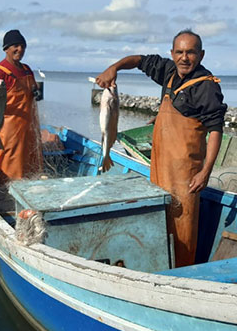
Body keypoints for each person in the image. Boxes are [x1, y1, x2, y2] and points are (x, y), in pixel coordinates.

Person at [95, 29, 227, 267]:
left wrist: (205, 172)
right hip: (159, 169)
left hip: (186, 175)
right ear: (172, 53)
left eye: (191, 52)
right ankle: (158, 266)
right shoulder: (167, 70)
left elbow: (216, 130)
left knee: (183, 228)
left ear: (201, 55)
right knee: (159, 221)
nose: (184, 58)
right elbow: (139, 61)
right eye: (179, 52)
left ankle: (183, 273)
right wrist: (114, 67)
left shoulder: (206, 87)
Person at [0, 29, 42, 182]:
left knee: (33, 161)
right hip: (10, 129)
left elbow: (33, 92)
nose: (20, 50)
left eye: (23, 46)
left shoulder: (26, 69)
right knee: (11, 163)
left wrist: (36, 91)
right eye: (15, 46)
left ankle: (31, 192)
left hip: (30, 127)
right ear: (6, 48)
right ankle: (7, 192)